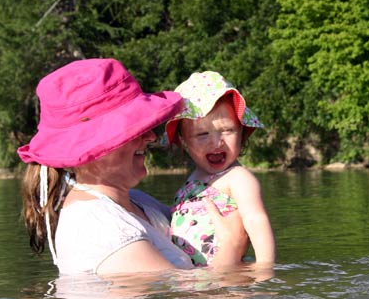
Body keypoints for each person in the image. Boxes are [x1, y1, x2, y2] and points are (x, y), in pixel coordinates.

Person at [18, 58, 246, 275]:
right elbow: (184, 295)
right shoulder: (94, 225)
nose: (150, 137)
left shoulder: (138, 203)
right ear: (93, 147)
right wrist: (233, 246)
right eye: (133, 129)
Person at [165, 71, 276, 267]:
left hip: (228, 277)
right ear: (184, 141)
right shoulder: (193, 179)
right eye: (202, 134)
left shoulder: (238, 178)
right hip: (194, 276)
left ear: (242, 132)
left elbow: (256, 220)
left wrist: (264, 267)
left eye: (227, 130)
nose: (216, 142)